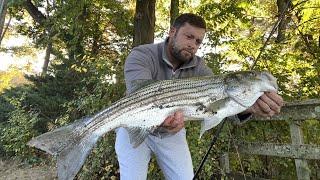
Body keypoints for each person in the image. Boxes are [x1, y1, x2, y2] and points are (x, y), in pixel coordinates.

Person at [115, 13, 283, 180]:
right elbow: (139, 95)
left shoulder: (201, 69)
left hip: (172, 133)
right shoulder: (142, 55)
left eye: (198, 42)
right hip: (132, 124)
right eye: (189, 37)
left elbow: (219, 107)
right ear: (172, 31)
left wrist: (249, 107)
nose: (193, 45)